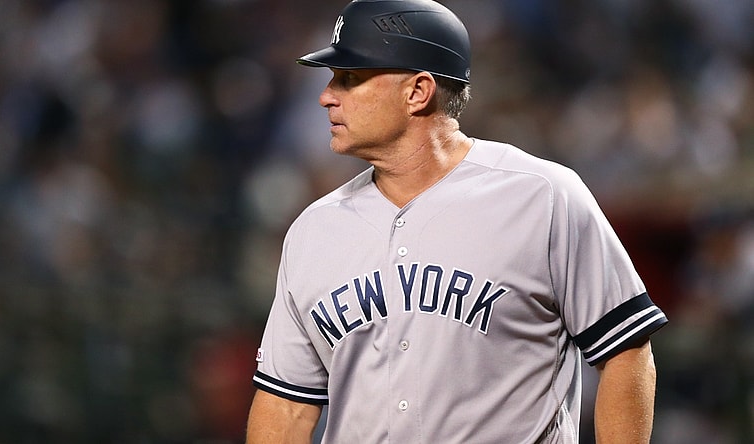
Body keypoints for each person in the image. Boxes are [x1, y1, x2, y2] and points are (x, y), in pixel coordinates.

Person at [246, 0, 668, 442]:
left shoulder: (543, 196)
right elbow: (286, 403)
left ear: (418, 91)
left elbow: (626, 351)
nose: (326, 95)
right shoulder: (313, 231)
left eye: (349, 78)